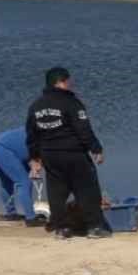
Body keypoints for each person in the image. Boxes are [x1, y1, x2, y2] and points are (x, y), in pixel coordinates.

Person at [26, 67, 111, 239]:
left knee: (56, 192)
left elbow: (31, 135)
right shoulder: (71, 102)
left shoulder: (35, 106)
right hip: (73, 153)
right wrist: (96, 148)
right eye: (68, 81)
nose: (71, 84)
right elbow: (83, 129)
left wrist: (34, 157)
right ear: (61, 82)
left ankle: (61, 229)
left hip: (50, 155)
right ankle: (94, 227)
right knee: (87, 189)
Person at [0, 127, 46, 227]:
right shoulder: (48, 137)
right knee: (24, 182)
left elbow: (30, 154)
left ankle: (11, 214)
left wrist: (34, 167)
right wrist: (36, 167)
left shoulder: (39, 130)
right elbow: (37, 156)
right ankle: (31, 218)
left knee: (7, 182)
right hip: (4, 149)